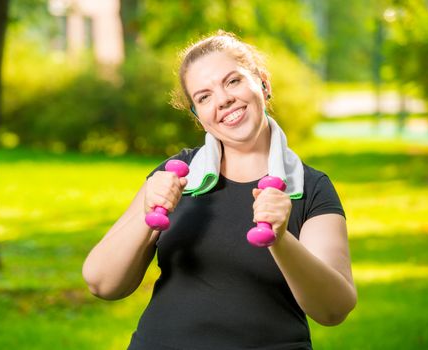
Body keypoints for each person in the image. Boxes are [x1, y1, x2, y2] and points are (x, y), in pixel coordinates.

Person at [82, 31, 357, 350]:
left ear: (263, 83)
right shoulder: (175, 176)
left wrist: (281, 239)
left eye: (233, 81)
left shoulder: (311, 188)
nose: (223, 100)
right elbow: (101, 283)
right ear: (198, 116)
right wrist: (146, 216)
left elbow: (334, 309)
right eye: (204, 97)